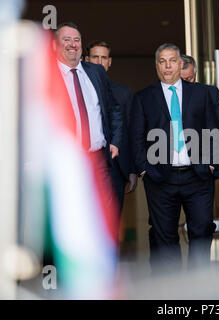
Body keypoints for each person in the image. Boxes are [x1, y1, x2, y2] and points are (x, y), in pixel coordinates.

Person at [130, 43, 218, 273]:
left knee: (201, 232)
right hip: (160, 179)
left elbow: (213, 130)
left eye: (172, 60)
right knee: (165, 238)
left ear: (180, 63)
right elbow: (136, 138)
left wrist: (211, 163)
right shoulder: (143, 97)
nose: (167, 66)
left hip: (197, 176)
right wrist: (145, 170)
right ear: (157, 66)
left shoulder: (202, 93)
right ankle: (175, 293)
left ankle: (198, 290)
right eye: (162, 61)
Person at [54, 22, 123, 220]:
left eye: (77, 40)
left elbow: (113, 109)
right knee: (69, 220)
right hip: (66, 163)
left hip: (98, 160)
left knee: (102, 219)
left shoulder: (96, 72)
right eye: (66, 40)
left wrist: (116, 141)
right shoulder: (49, 75)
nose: (72, 44)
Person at [85, 40, 137, 212]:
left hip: (116, 168)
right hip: (86, 166)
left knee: (112, 224)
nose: (99, 62)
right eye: (95, 57)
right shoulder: (78, 88)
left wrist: (132, 170)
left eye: (103, 58)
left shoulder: (123, 93)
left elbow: (130, 131)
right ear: (86, 59)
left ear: (110, 62)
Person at [180, 54, 219, 179]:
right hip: (168, 169)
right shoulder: (161, 94)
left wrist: (211, 162)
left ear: (195, 74)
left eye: (189, 79)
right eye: (180, 80)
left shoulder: (210, 93)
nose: (185, 84)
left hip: (203, 167)